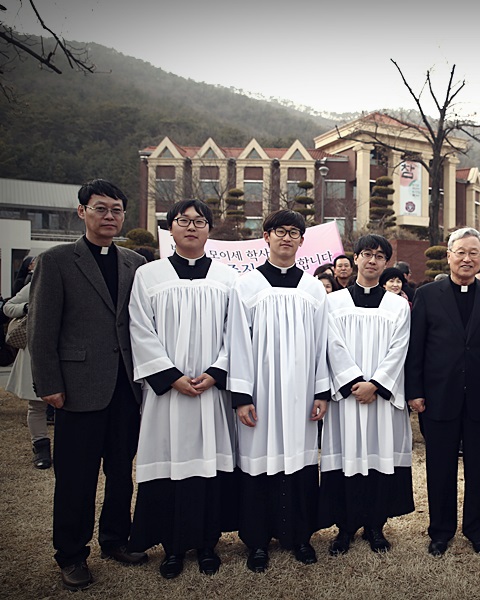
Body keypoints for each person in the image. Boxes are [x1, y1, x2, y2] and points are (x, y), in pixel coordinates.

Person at [28, 179, 148, 591]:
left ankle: (115, 540)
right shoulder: (57, 261)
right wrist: (48, 383)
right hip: (77, 387)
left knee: (121, 472)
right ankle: (71, 554)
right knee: (75, 478)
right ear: (82, 212)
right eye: (101, 208)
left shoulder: (134, 262)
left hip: (125, 387)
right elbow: (41, 329)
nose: (109, 216)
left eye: (116, 210)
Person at [126, 199, 238, 579]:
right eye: (183, 220)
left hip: (211, 392)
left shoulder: (228, 278)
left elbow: (236, 333)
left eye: (199, 221)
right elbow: (140, 329)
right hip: (168, 395)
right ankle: (172, 547)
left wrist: (216, 372)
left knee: (209, 468)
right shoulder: (149, 276)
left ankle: (207, 544)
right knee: (170, 466)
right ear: (170, 228)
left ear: (209, 229)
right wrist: (170, 376)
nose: (191, 227)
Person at [227, 209, 329, 572]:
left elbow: (322, 344)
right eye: (280, 231)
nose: (287, 238)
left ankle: (299, 536)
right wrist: (242, 396)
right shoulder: (246, 285)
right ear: (266, 236)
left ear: (302, 240)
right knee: (259, 462)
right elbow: (237, 342)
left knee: (300, 463)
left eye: (294, 232)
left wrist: (321, 392)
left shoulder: (313, 289)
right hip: (261, 394)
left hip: (301, 394)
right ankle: (257, 541)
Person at [405, 227, 480, 557]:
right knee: (440, 467)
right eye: (461, 252)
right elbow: (416, 347)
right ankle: (440, 531)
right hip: (439, 394)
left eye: (473, 253)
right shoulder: (427, 295)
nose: (467, 258)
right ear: (449, 255)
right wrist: (414, 390)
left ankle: (477, 530)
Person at [319, 235, 414, 555]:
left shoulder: (398, 306)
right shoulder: (334, 302)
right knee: (347, 458)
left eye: (379, 256)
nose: (372, 260)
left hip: (381, 399)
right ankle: (345, 527)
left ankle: (375, 525)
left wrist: (376, 384)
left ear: (386, 263)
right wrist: (354, 381)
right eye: (367, 254)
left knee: (379, 457)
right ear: (356, 258)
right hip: (348, 398)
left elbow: (400, 349)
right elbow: (332, 344)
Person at [3, 267, 51, 469]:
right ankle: (41, 447)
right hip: (35, 350)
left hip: (68, 351)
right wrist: (27, 308)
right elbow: (8, 307)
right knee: (36, 404)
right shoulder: (36, 284)